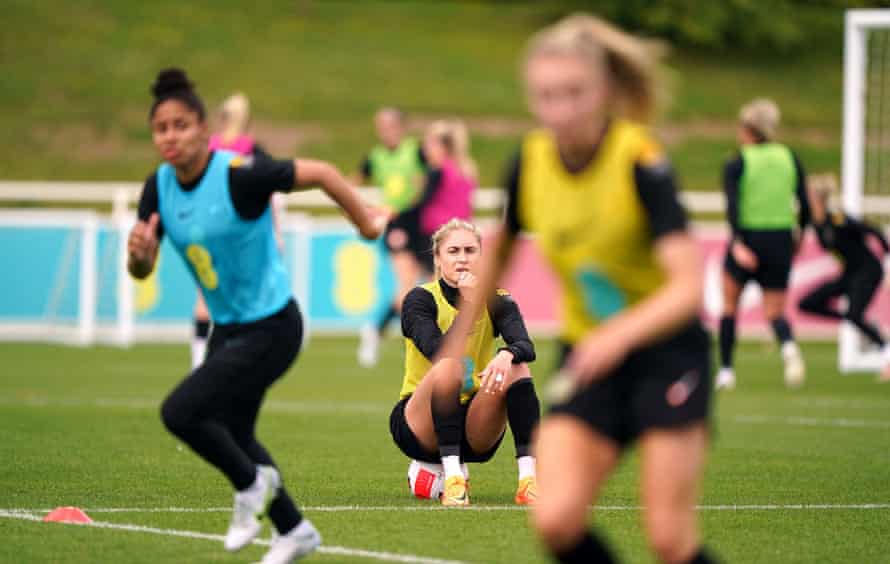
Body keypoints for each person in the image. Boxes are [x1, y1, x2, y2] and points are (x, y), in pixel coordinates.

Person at [438, 14, 717, 563]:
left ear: (605, 91)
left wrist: (622, 335)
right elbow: (501, 250)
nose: (559, 110)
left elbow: (688, 288)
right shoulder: (531, 161)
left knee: (669, 539)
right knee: (557, 518)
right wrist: (458, 337)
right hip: (590, 358)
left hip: (667, 356)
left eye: (574, 93)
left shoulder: (641, 162)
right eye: (545, 96)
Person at [127, 68, 383, 564]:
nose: (171, 136)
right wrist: (137, 255)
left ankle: (251, 485)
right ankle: (294, 529)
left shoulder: (239, 176)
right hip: (229, 328)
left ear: (203, 127)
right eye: (161, 128)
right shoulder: (157, 188)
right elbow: (142, 268)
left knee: (180, 412)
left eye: (181, 125)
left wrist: (366, 222)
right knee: (235, 432)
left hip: (274, 326)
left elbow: (325, 174)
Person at [390, 219, 540, 506]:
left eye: (470, 251)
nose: (462, 258)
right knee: (449, 366)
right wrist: (469, 305)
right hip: (419, 423)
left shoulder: (497, 299)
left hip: (473, 422)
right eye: (453, 251)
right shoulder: (419, 299)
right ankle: (453, 479)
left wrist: (507, 354)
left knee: (518, 366)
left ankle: (528, 480)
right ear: (437, 258)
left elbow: (525, 345)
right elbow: (439, 351)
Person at [716, 98, 811, 390]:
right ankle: (789, 349)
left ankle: (727, 371)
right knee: (774, 312)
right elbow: (804, 204)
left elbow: (732, 206)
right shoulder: (789, 157)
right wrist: (799, 235)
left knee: (730, 305)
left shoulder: (738, 161)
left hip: (750, 237)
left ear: (748, 129)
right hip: (781, 238)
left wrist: (738, 242)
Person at [190, 92, 285, 369]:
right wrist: (275, 232)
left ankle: (199, 361)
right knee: (246, 300)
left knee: (205, 296)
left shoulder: (208, 149)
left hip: (208, 230)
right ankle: (234, 357)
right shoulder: (251, 150)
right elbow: (268, 193)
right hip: (243, 235)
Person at [356, 108, 430, 367]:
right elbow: (351, 185)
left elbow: (429, 181)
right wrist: (371, 211)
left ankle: (384, 331)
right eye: (381, 127)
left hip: (421, 224)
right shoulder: (375, 157)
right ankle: (377, 331)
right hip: (397, 224)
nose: (385, 132)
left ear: (401, 127)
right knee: (407, 285)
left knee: (433, 284)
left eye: (389, 126)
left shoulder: (415, 151)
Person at [799, 174, 890, 380]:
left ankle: (887, 352)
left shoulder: (837, 218)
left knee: (855, 315)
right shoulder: (812, 219)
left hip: (868, 270)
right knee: (806, 303)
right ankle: (859, 322)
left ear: (817, 197)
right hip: (849, 273)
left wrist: (887, 259)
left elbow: (873, 230)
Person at [416, 119, 477, 240]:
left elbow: (422, 202)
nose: (424, 148)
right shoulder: (466, 168)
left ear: (442, 146)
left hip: (436, 232)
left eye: (428, 143)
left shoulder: (439, 170)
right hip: (461, 231)